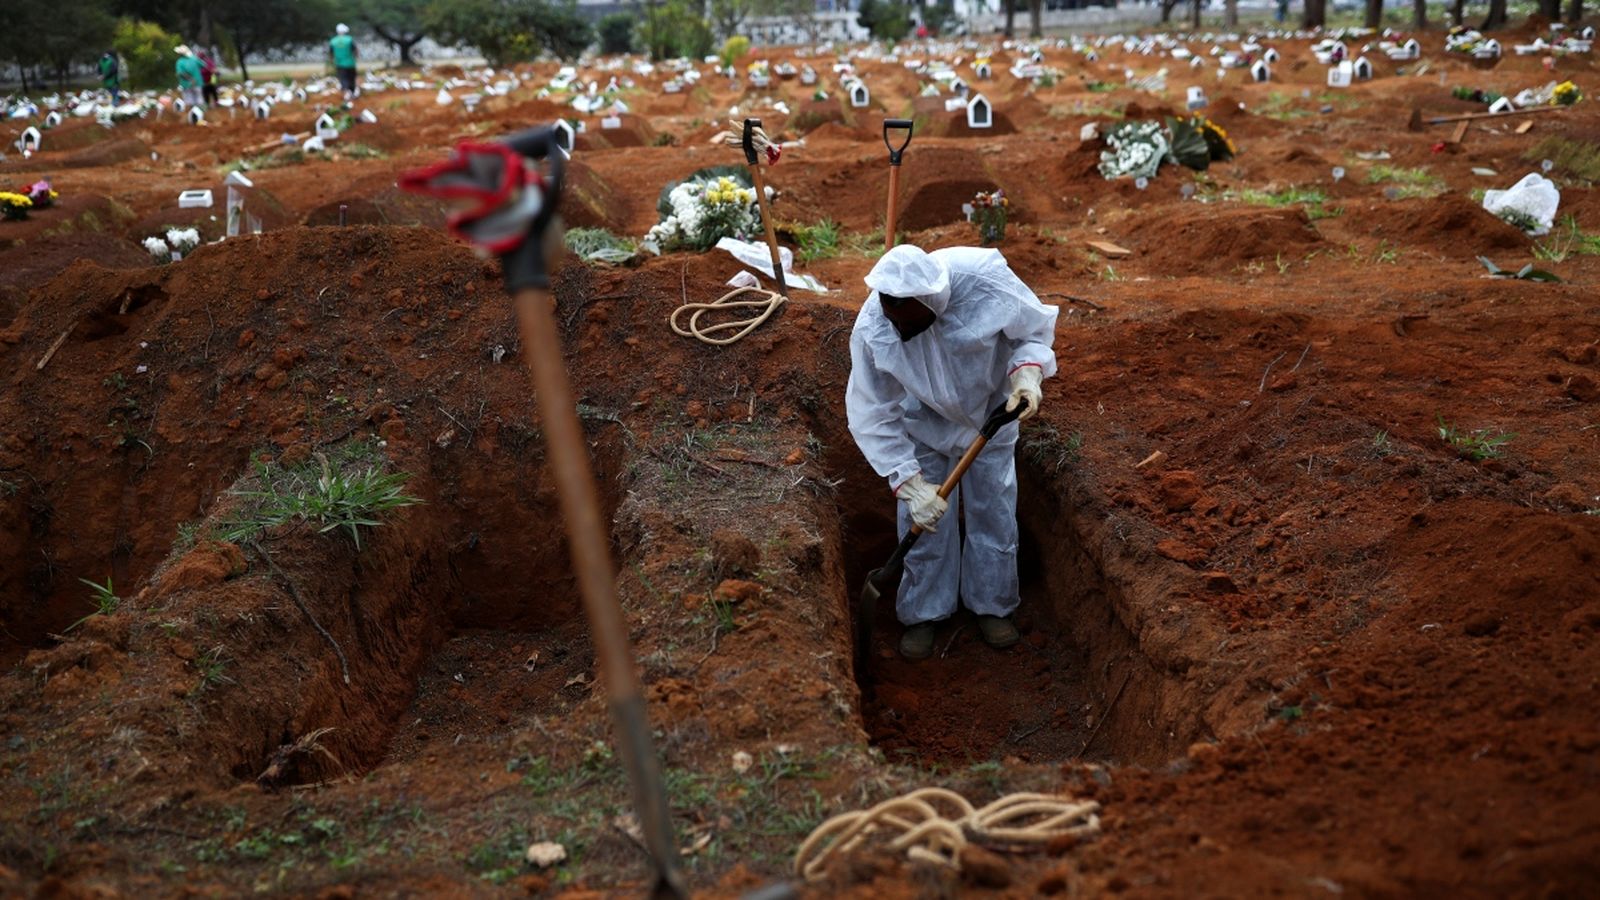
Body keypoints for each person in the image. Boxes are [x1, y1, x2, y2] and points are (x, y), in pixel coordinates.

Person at [846, 245, 1058, 660]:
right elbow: (871, 412)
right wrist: (907, 483)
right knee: (923, 522)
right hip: (922, 425)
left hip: (992, 415)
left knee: (993, 512)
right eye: (894, 322)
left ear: (930, 302)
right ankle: (924, 613)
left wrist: (1028, 375)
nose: (901, 333)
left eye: (910, 324)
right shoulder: (874, 326)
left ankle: (992, 606)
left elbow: (1031, 331)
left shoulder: (983, 281)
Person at [330, 23, 358, 102]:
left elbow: (331, 53)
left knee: (343, 78)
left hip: (340, 64)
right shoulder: (349, 39)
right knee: (351, 78)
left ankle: (346, 93)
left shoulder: (333, 41)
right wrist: (355, 57)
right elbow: (355, 50)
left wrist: (332, 61)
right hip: (350, 63)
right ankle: (352, 93)